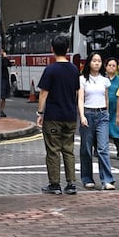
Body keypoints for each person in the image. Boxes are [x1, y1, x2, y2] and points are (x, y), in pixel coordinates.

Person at [36, 35, 80, 195]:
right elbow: (76, 91)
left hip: (53, 116)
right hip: (70, 116)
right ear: (67, 49)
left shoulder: (50, 70)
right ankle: (71, 183)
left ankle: (54, 184)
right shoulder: (74, 70)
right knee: (68, 150)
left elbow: (43, 94)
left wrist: (40, 113)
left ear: (52, 49)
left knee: (53, 150)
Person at [77, 52, 115, 190]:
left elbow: (106, 99)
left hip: (102, 114)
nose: (97, 63)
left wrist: (107, 113)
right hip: (88, 113)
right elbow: (80, 99)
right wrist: (82, 116)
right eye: (94, 61)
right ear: (89, 63)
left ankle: (107, 180)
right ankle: (87, 178)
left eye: (99, 61)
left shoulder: (104, 79)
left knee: (103, 148)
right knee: (86, 149)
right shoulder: (82, 79)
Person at [105, 57, 119, 160]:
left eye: (114, 65)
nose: (111, 67)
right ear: (105, 67)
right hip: (103, 107)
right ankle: (98, 149)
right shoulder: (102, 79)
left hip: (116, 108)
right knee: (101, 129)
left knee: (117, 127)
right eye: (109, 65)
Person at [0, 48, 11, 118]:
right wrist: (4, 58)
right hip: (2, 78)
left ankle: (2, 110)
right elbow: (5, 65)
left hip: (5, 78)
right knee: (1, 96)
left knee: (4, 97)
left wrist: (5, 58)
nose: (2, 52)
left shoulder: (4, 59)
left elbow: (9, 64)